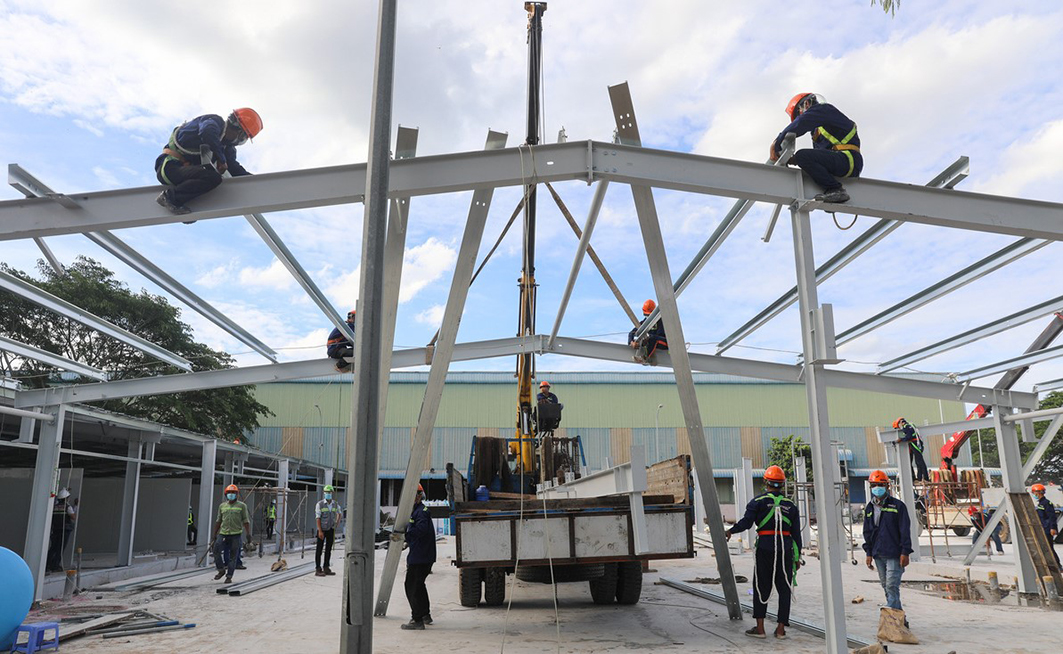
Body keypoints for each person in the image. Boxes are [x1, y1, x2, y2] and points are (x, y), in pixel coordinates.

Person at [725, 465, 801, 640]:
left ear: (766, 482)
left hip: (765, 548)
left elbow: (746, 523)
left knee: (761, 587)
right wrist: (798, 557)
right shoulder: (791, 506)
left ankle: (760, 629)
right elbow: (796, 534)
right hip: (785, 549)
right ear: (782, 484)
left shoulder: (758, 502)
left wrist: (730, 531)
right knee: (784, 589)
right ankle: (781, 630)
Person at [154, 108, 263, 215]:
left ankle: (180, 202)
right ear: (237, 129)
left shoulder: (225, 147)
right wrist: (221, 158)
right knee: (212, 177)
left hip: (185, 175)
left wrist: (257, 182)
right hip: (170, 168)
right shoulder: (214, 122)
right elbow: (207, 132)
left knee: (210, 178)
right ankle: (169, 198)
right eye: (242, 137)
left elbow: (234, 169)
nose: (238, 142)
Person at [770, 93, 861, 204]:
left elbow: (802, 122)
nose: (800, 117)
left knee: (802, 155)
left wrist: (777, 142)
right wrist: (793, 160)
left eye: (799, 114)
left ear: (806, 104)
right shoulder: (817, 132)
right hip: (841, 163)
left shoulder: (825, 110)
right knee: (803, 158)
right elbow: (819, 158)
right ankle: (833, 191)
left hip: (848, 160)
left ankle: (835, 189)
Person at [863, 470, 913, 612]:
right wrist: (868, 553)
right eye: (874, 485)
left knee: (892, 585)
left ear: (887, 486)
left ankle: (893, 616)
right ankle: (898, 618)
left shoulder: (898, 506)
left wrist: (905, 551)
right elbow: (867, 531)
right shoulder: (869, 508)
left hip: (894, 553)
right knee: (886, 586)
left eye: (880, 484)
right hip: (878, 554)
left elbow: (905, 530)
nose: (877, 488)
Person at [401, 484, 436, 630]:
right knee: (419, 585)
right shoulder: (417, 511)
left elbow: (420, 529)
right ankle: (425, 615)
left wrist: (405, 536)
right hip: (422, 555)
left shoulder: (421, 512)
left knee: (411, 586)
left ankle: (417, 620)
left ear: (418, 495)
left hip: (421, 556)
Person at [212, 484, 251, 583]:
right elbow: (218, 520)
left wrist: (248, 534)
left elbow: (246, 521)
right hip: (223, 533)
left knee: (233, 556)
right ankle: (221, 570)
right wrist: (214, 534)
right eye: (229, 493)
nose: (231, 495)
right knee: (216, 550)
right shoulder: (222, 506)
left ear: (237, 494)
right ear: (226, 494)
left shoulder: (242, 506)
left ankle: (229, 576)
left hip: (236, 534)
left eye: (233, 493)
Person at [628, 300, 668, 364]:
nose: (648, 317)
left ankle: (645, 358)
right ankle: (645, 352)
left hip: (664, 342)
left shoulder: (661, 321)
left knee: (652, 338)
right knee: (649, 338)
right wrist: (631, 342)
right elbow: (632, 333)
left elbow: (660, 335)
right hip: (651, 342)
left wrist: (648, 339)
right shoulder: (644, 323)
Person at [47, 488, 77, 572]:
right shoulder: (68, 507)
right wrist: (76, 507)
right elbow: (73, 517)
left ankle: (47, 565)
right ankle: (55, 565)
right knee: (60, 548)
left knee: (53, 547)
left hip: (55, 529)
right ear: (67, 498)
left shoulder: (54, 506)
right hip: (65, 530)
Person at [315, 485, 342, 577]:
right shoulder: (320, 504)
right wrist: (320, 531)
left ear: (332, 493)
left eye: (329, 493)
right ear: (324, 493)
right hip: (322, 529)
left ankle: (326, 567)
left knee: (328, 549)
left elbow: (339, 513)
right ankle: (318, 569)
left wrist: (337, 523)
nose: (328, 494)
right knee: (319, 550)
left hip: (331, 529)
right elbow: (318, 518)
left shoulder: (335, 504)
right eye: (326, 493)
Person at [1032, 483, 1061, 566]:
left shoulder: (1047, 503)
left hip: (1048, 529)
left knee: (1049, 548)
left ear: (1038, 493)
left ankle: (1057, 565)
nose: (1034, 495)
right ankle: (1049, 564)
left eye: (1034, 493)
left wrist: (1053, 528)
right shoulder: (1040, 503)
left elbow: (1052, 517)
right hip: (1043, 528)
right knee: (1044, 548)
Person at [893, 418, 929, 482]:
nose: (900, 428)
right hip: (915, 444)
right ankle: (920, 477)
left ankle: (924, 478)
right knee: (918, 462)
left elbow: (909, 436)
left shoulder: (907, 426)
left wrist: (901, 439)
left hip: (915, 444)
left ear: (901, 422)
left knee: (920, 461)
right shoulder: (910, 425)